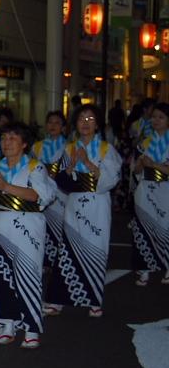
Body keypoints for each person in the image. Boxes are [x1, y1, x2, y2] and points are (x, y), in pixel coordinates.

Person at [0, 122, 56, 349]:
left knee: (29, 275)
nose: (6, 143)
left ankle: (31, 327)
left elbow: (39, 195)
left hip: (28, 227)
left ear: (24, 144)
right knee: (0, 276)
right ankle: (7, 323)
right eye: (4, 138)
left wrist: (5, 186)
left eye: (13, 139)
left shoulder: (35, 167)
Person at [44, 104, 122, 318]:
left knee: (96, 248)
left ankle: (93, 298)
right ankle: (58, 299)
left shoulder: (106, 148)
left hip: (97, 203)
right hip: (75, 203)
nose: (85, 123)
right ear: (75, 124)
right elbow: (61, 180)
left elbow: (111, 179)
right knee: (68, 249)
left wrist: (86, 161)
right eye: (81, 119)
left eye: (90, 119)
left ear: (97, 124)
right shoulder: (69, 148)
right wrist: (70, 167)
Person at [130, 101, 169, 286]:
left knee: (165, 228)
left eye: (161, 117)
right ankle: (144, 269)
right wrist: (139, 164)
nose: (156, 120)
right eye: (154, 117)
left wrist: (154, 165)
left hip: (165, 190)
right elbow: (135, 170)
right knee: (143, 230)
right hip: (145, 188)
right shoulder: (145, 142)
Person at [31, 110, 68, 268]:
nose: (53, 125)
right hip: (41, 191)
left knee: (60, 226)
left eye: (57, 123)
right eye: (50, 122)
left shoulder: (69, 147)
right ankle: (45, 261)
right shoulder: (36, 147)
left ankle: (59, 262)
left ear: (63, 127)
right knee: (41, 227)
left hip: (62, 192)